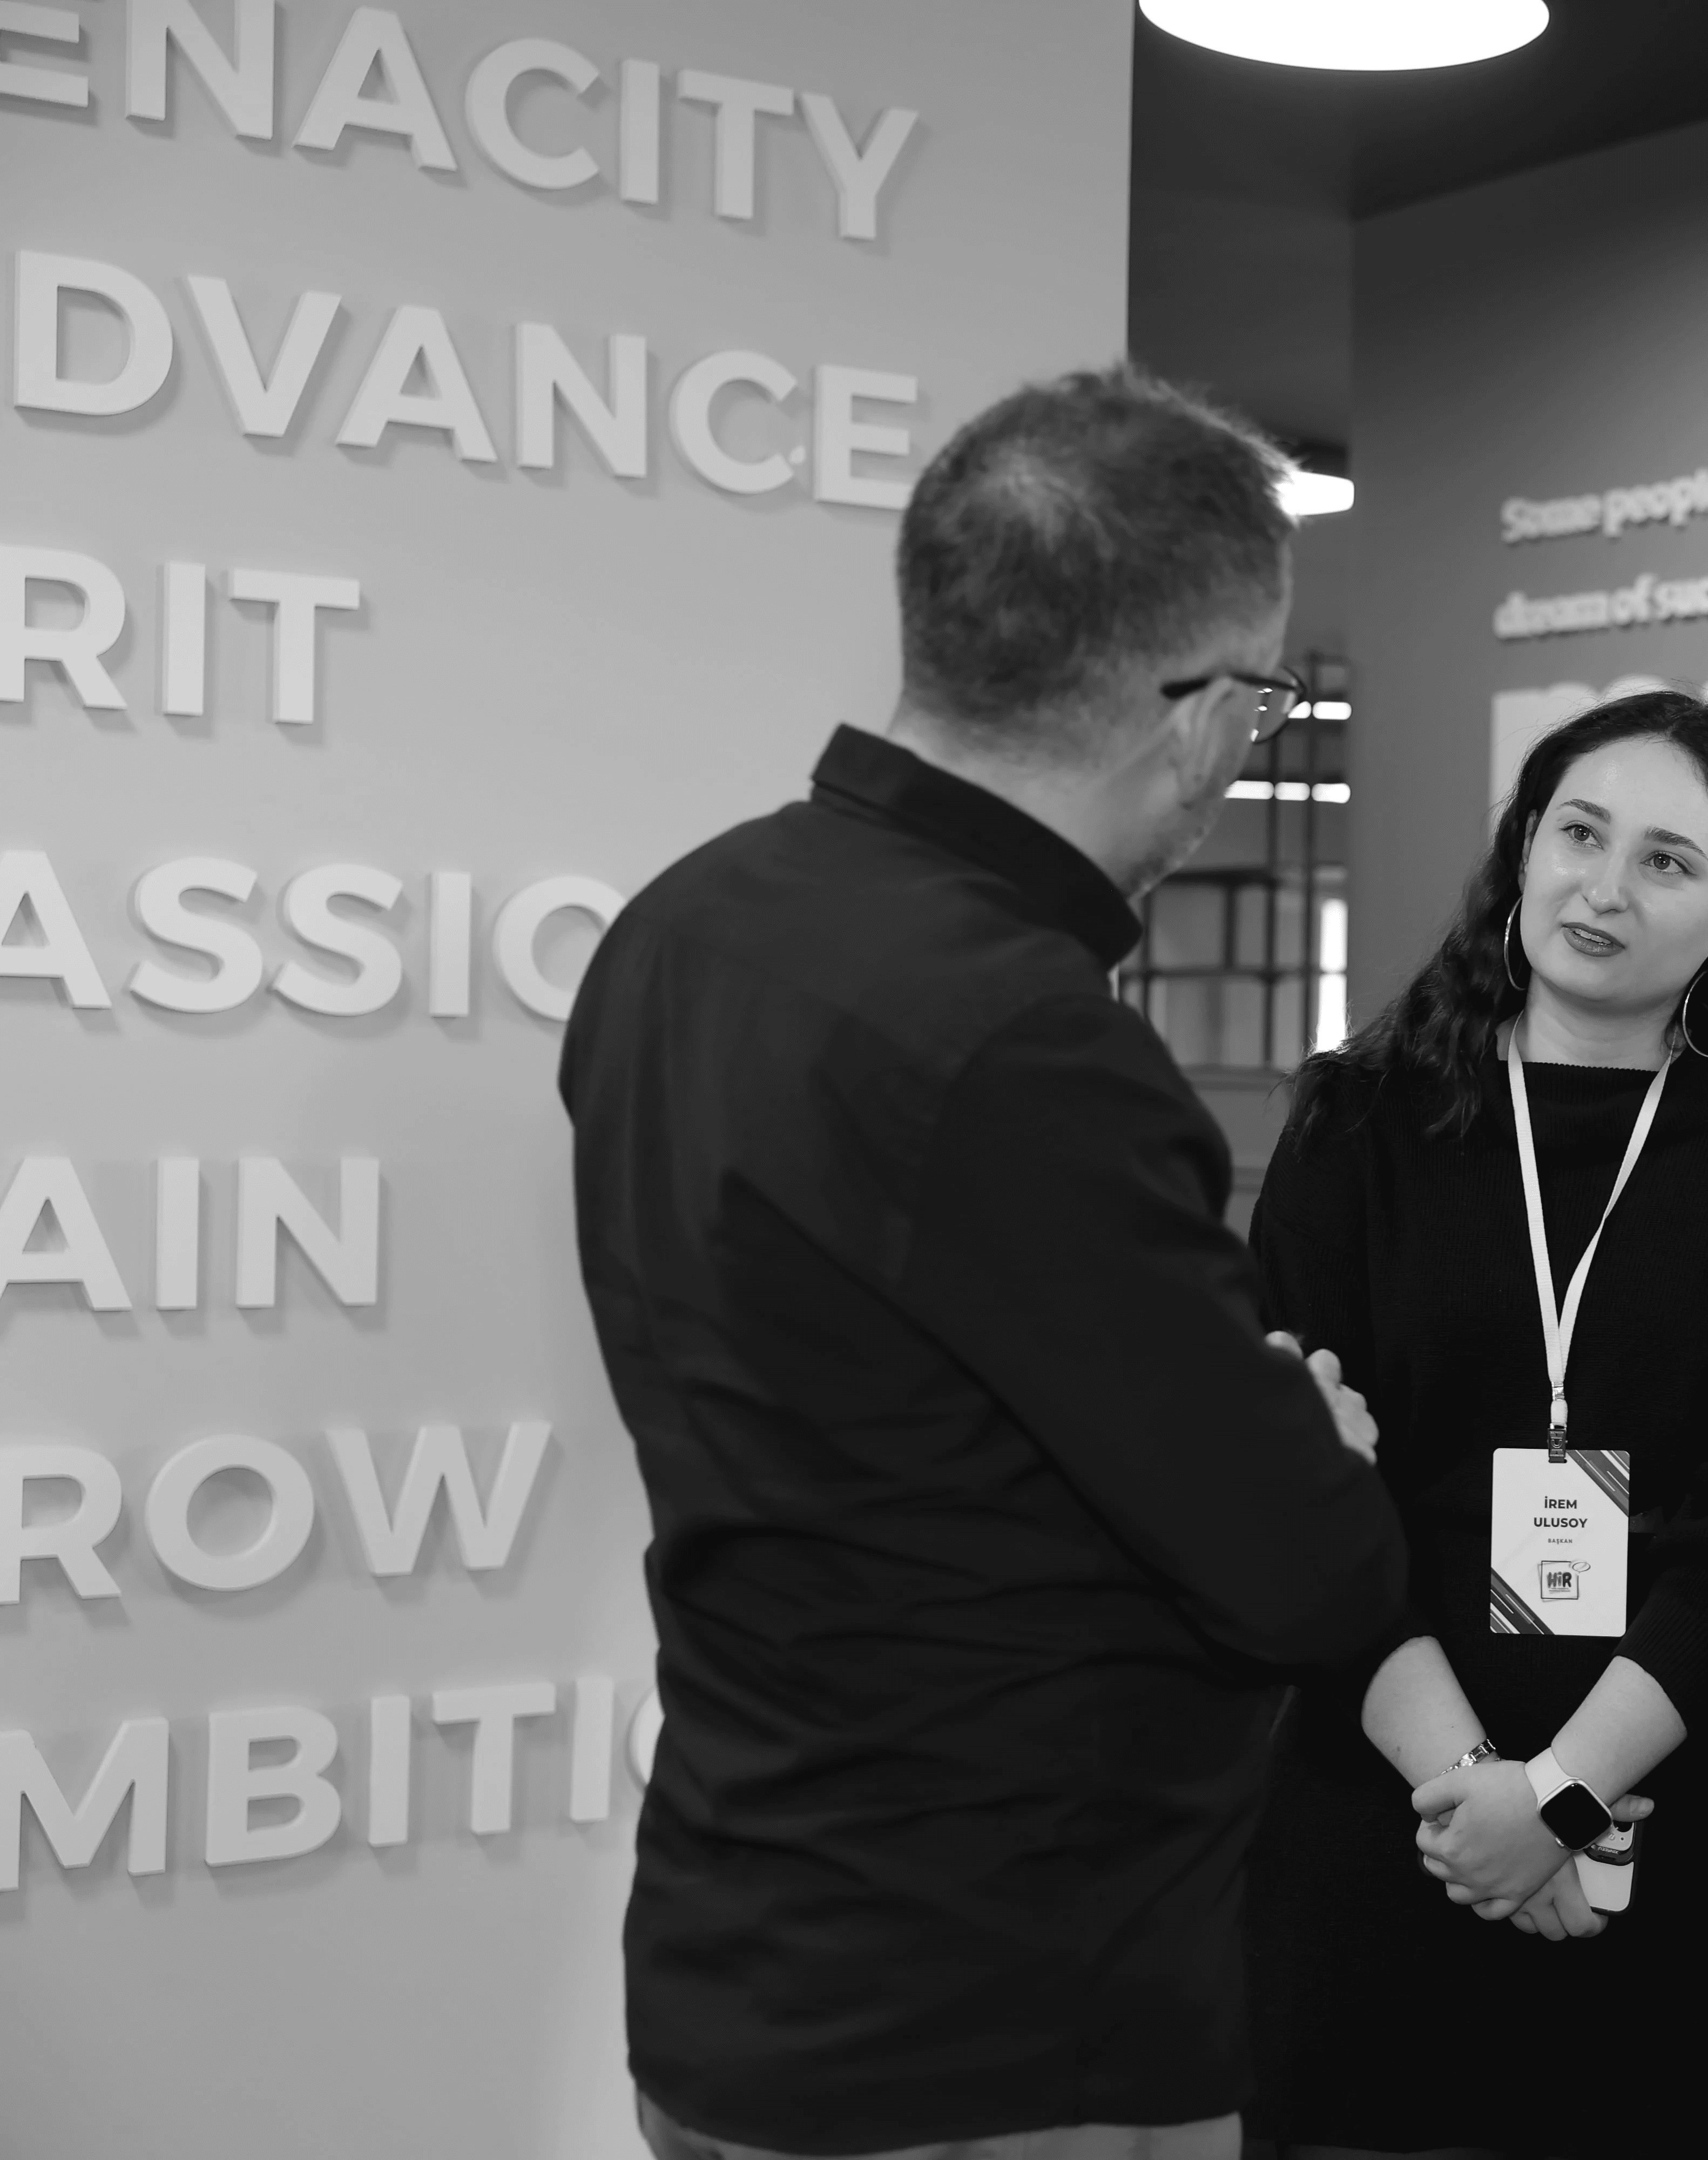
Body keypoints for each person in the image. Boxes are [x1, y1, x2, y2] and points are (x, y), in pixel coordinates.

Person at [559, 366, 1409, 2160]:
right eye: (1261, 700)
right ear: (1191, 713)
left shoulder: (681, 928)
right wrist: (1310, 1454)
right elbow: (1305, 1577)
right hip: (1006, 2028)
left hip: (744, 1957)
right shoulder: (1027, 1047)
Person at [1238, 692, 1708, 2158]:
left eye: (1667, 861)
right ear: (1523, 853)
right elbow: (1298, 1492)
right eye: (1578, 835)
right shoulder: (1358, 1128)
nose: (1603, 886)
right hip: (1395, 1810)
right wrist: (1476, 1791)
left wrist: (1564, 1793)